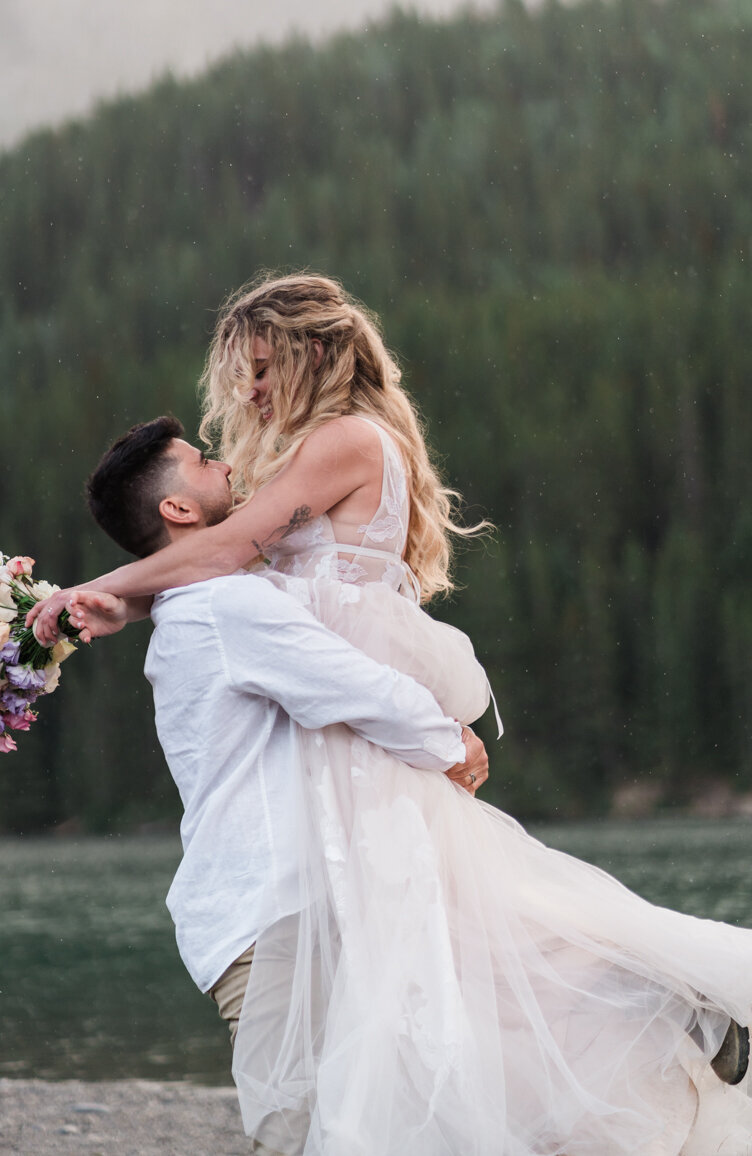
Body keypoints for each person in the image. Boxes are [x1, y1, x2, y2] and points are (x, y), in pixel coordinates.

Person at [31, 274, 752, 1156]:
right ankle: (653, 1005)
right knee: (461, 939)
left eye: (262, 369)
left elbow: (225, 554)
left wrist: (93, 593)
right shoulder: (306, 472)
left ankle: (658, 998)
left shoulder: (340, 440)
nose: (250, 394)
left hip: (351, 724)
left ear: (317, 353)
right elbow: (225, 577)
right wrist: (131, 607)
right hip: (337, 722)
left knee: (457, 938)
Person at [80, 413, 488, 1156]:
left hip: (258, 909)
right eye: (203, 463)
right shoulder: (225, 606)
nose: (227, 468)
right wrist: (448, 739)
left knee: (342, 1123)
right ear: (177, 510)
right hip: (264, 915)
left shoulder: (199, 603)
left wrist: (123, 600)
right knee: (294, 1130)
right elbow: (353, 686)